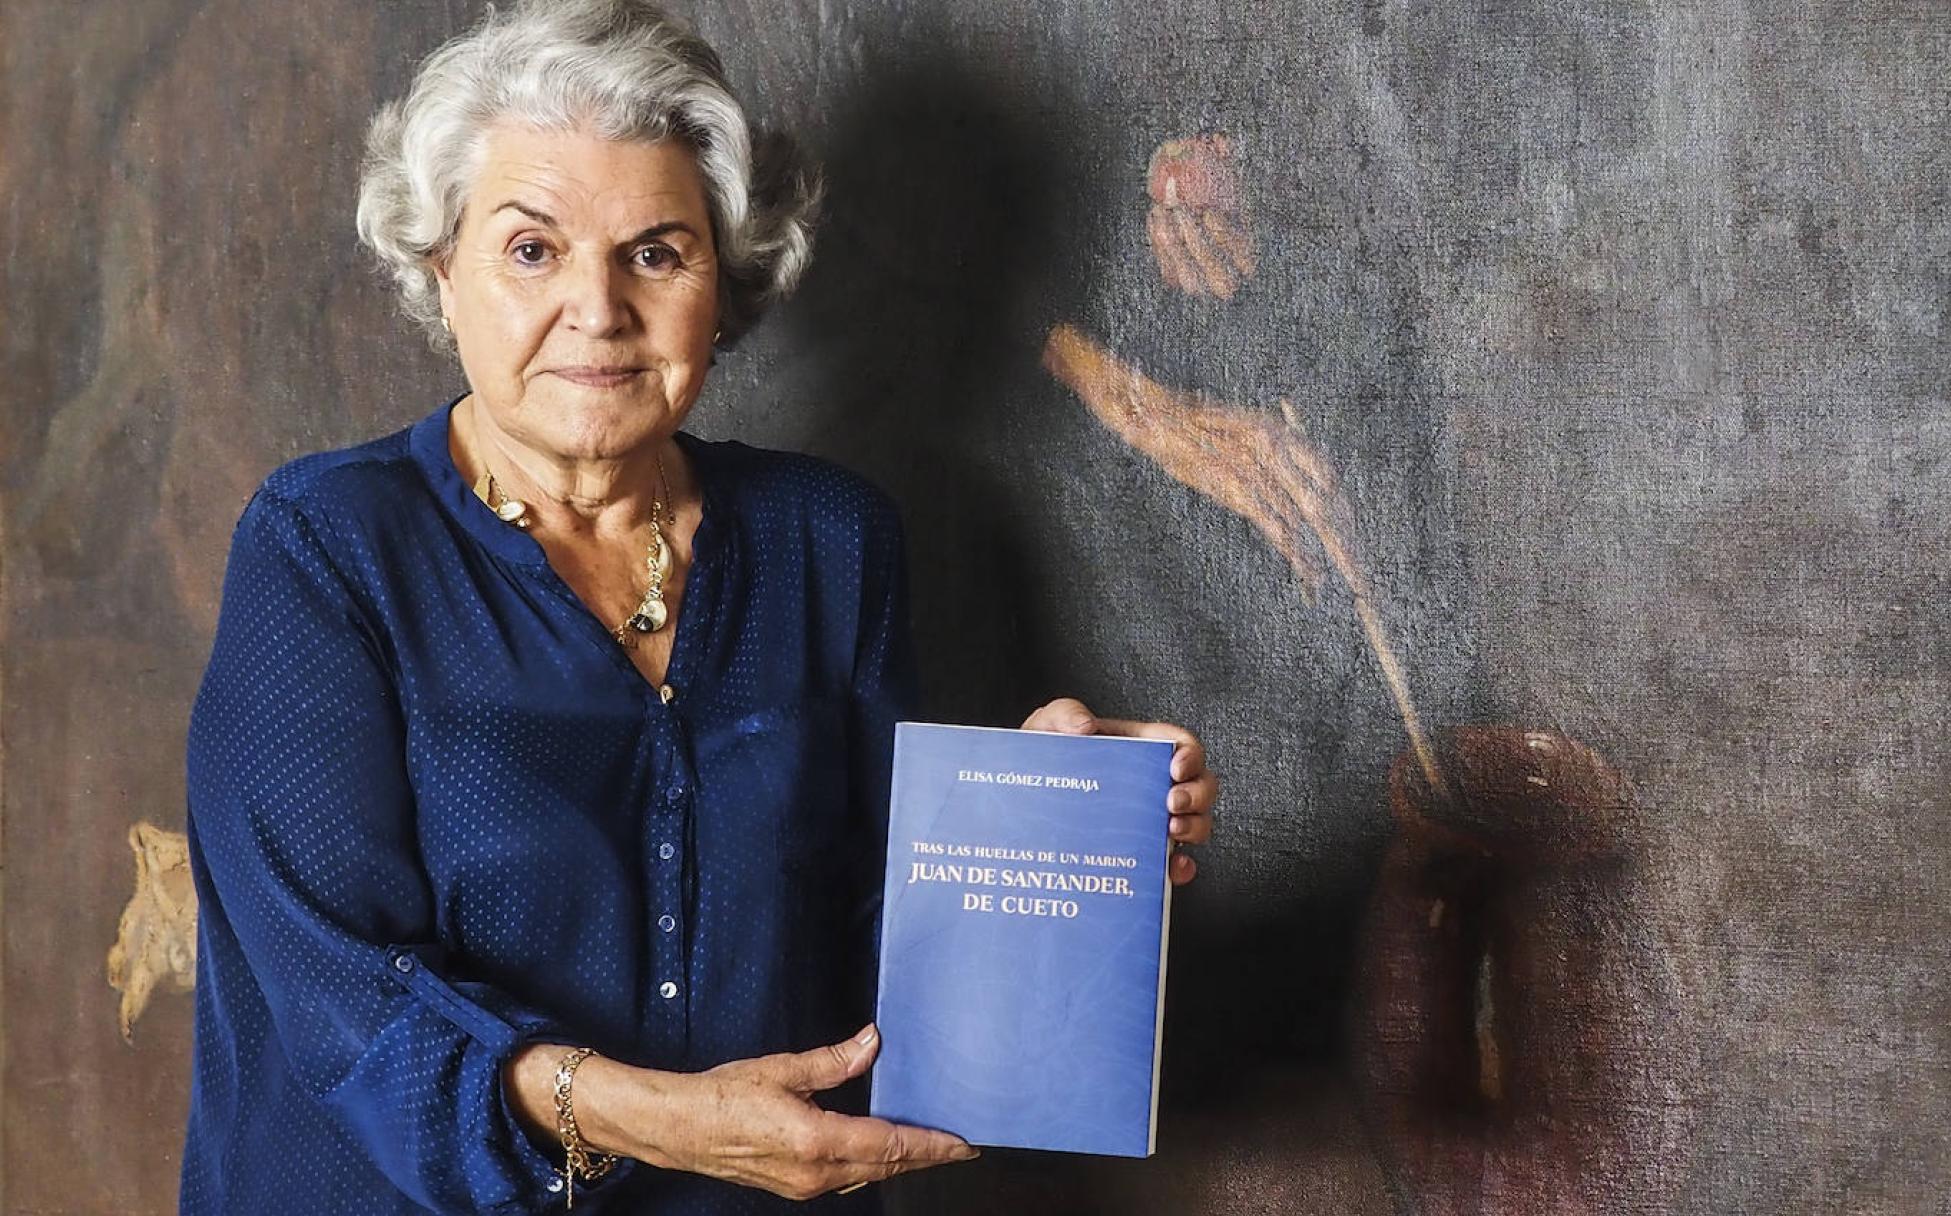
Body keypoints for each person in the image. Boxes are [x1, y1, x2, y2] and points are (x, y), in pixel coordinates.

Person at [178, 2, 1219, 1213]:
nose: (599, 309)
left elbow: (883, 930)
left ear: (723, 288)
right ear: (438, 269)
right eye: (532, 250)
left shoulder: (832, 539)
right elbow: (344, 1002)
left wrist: (1048, 821)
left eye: (656, 251)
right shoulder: (324, 549)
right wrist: (653, 1123)